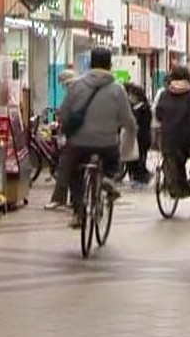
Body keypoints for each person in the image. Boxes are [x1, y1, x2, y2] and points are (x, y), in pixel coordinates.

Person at [55, 47, 136, 230]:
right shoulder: (117, 89)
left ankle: (78, 211)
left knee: (74, 173)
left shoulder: (76, 85)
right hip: (107, 144)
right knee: (112, 158)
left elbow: (63, 113)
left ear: (90, 64)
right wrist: (131, 130)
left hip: (78, 144)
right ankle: (108, 177)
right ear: (110, 65)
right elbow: (127, 119)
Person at [154, 65, 190, 197]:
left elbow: (158, 114)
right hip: (189, 138)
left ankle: (174, 184)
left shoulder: (164, 94)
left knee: (171, 156)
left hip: (168, 138)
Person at [45, 67, 82, 211]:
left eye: (64, 84)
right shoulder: (84, 90)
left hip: (77, 137)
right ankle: (75, 199)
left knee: (64, 166)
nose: (64, 87)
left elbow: (64, 112)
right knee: (76, 169)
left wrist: (60, 120)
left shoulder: (74, 93)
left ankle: (59, 198)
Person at [123, 82, 153, 188]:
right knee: (131, 159)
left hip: (142, 137)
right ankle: (135, 177)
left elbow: (144, 123)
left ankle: (142, 178)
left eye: (131, 95)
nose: (130, 97)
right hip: (131, 137)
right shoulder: (131, 107)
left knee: (140, 158)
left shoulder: (144, 108)